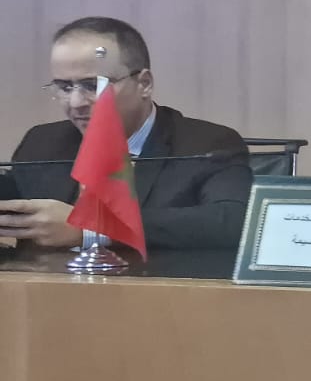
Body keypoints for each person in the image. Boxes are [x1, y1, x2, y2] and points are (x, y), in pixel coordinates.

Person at [0, 16, 252, 250]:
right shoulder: (43, 142)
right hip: (45, 282)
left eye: (93, 85)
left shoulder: (208, 144)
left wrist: (92, 229)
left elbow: (232, 222)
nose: (75, 102)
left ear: (144, 84)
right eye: (65, 87)